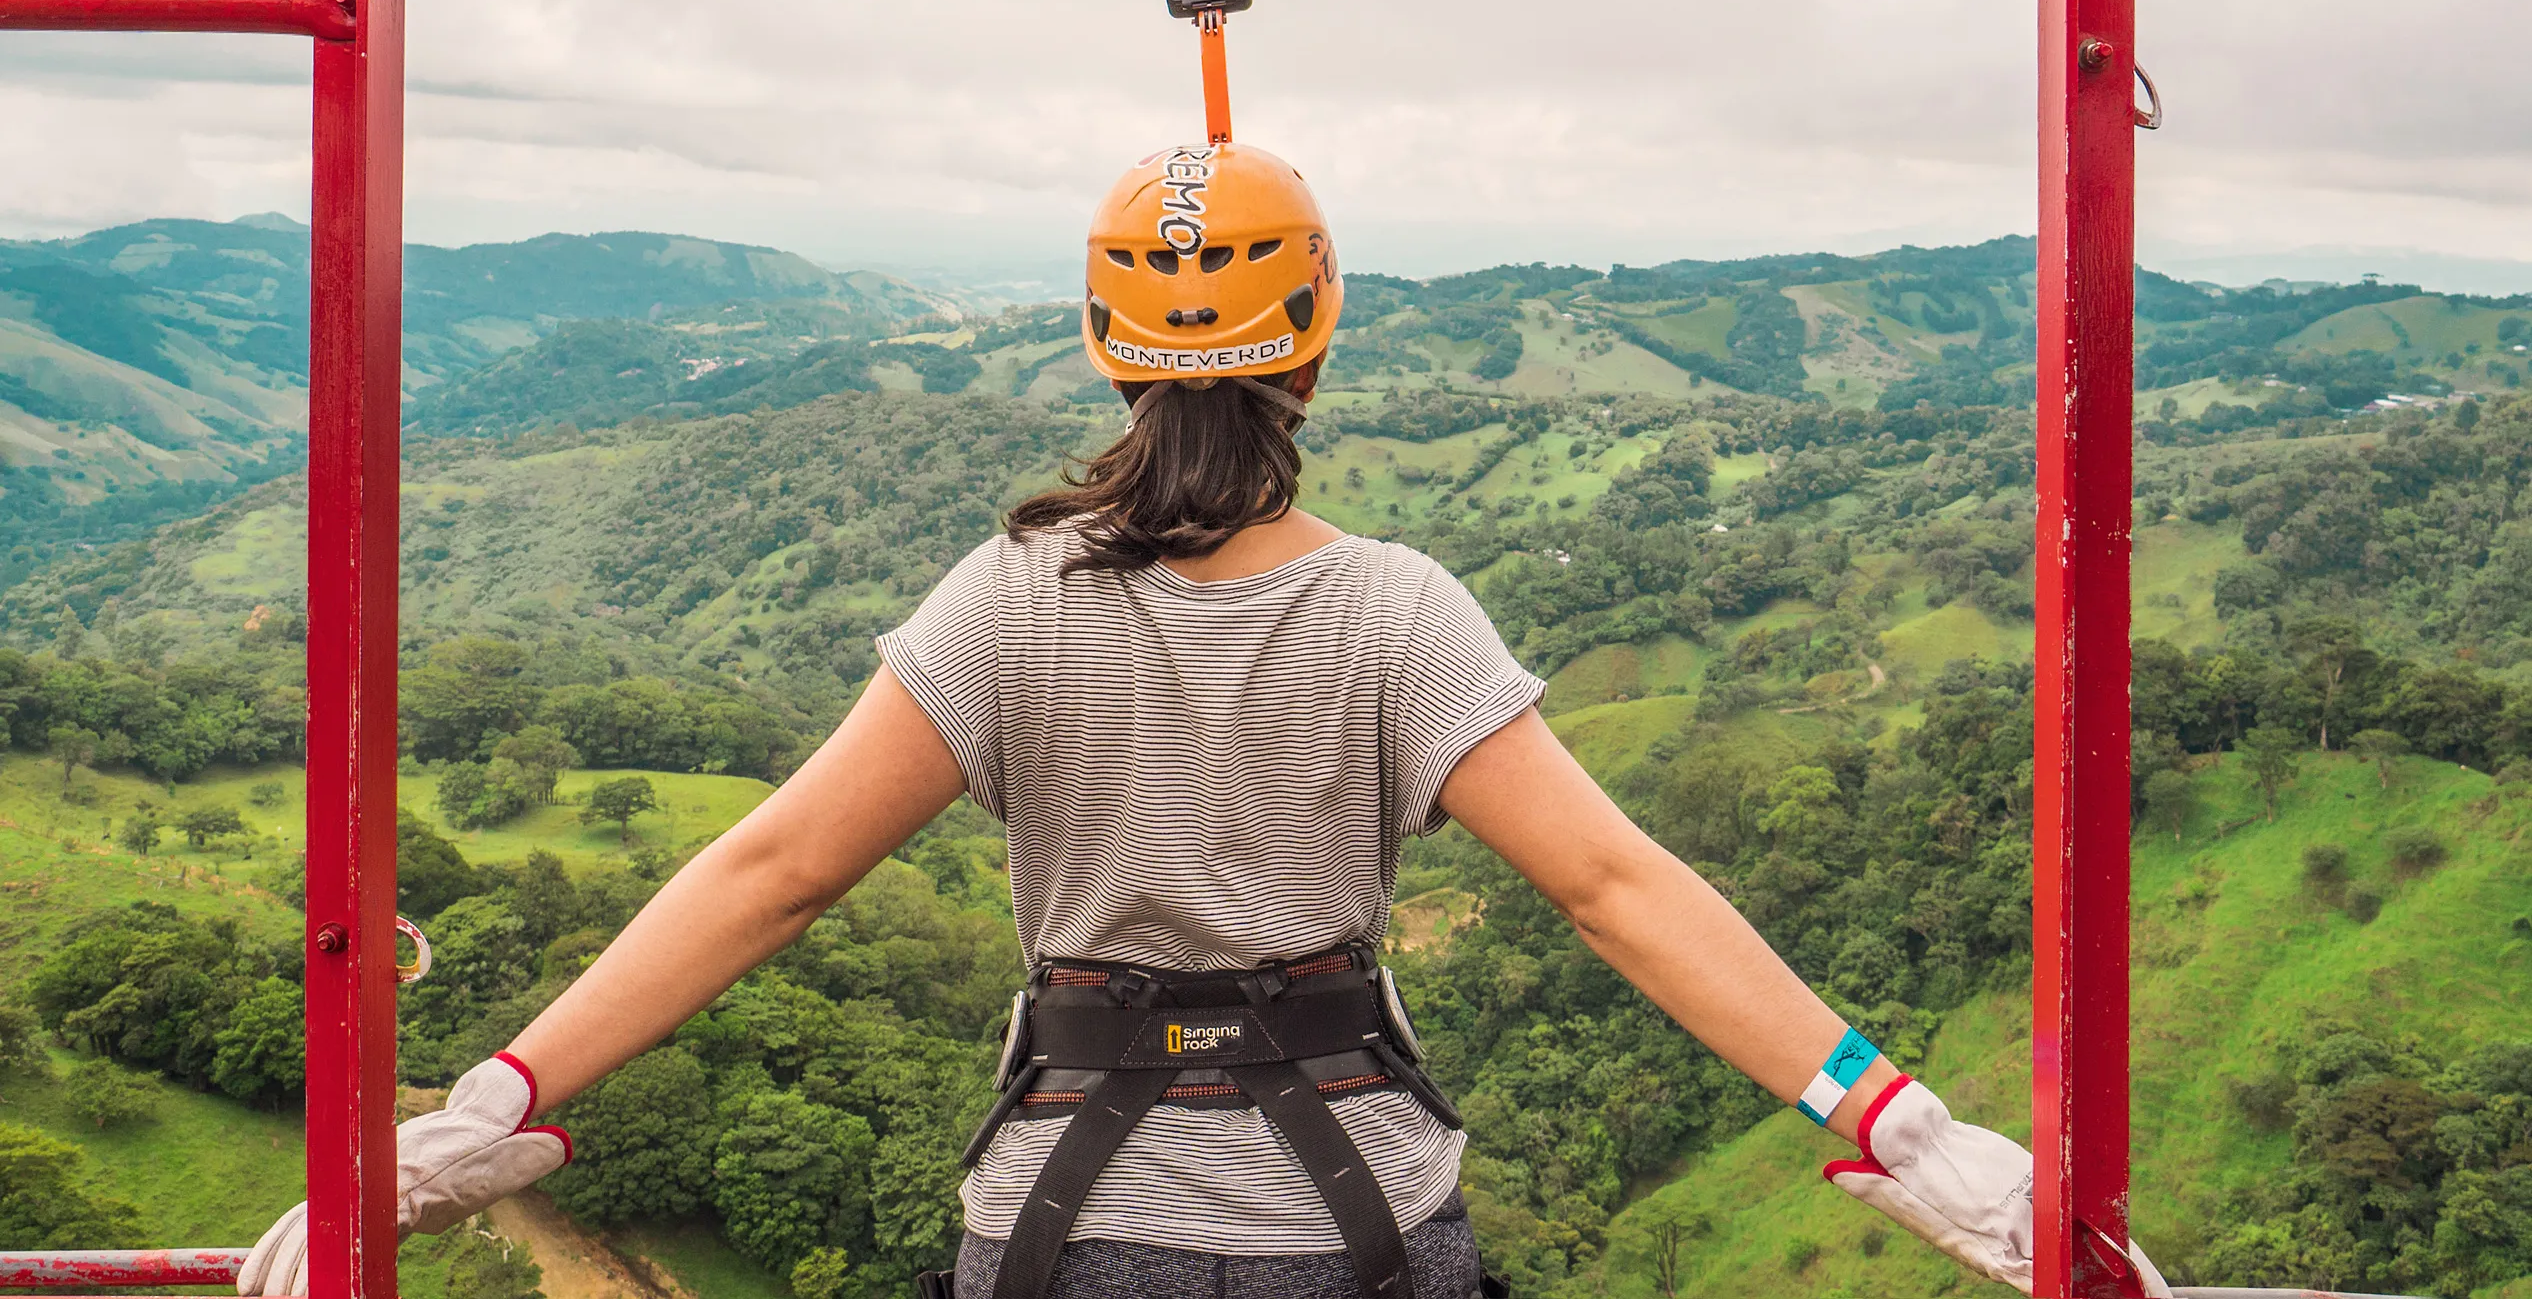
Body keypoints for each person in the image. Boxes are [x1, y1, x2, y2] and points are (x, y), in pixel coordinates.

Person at [239, 144, 2161, 1299]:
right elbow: (1615, 888)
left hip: (1063, 1226)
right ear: (1318, 335)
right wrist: (1901, 1122)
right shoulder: (1396, 611)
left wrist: (490, 1100)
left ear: (1101, 341)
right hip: (1359, 1222)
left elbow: (771, 872)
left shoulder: (1010, 605)